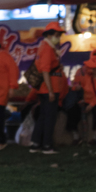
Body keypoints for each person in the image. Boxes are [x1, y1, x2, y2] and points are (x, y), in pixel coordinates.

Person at [30, 21, 67, 154]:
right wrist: (51, 91)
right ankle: (46, 145)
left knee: (44, 116)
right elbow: (45, 70)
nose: (59, 37)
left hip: (45, 88)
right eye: (57, 34)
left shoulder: (46, 47)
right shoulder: (47, 48)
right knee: (49, 117)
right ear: (50, 35)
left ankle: (36, 144)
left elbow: (47, 68)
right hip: (49, 89)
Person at [72, 53, 96, 145]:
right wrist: (76, 87)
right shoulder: (87, 77)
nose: (87, 68)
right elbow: (77, 85)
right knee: (73, 109)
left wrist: (91, 105)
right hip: (87, 101)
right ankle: (76, 136)